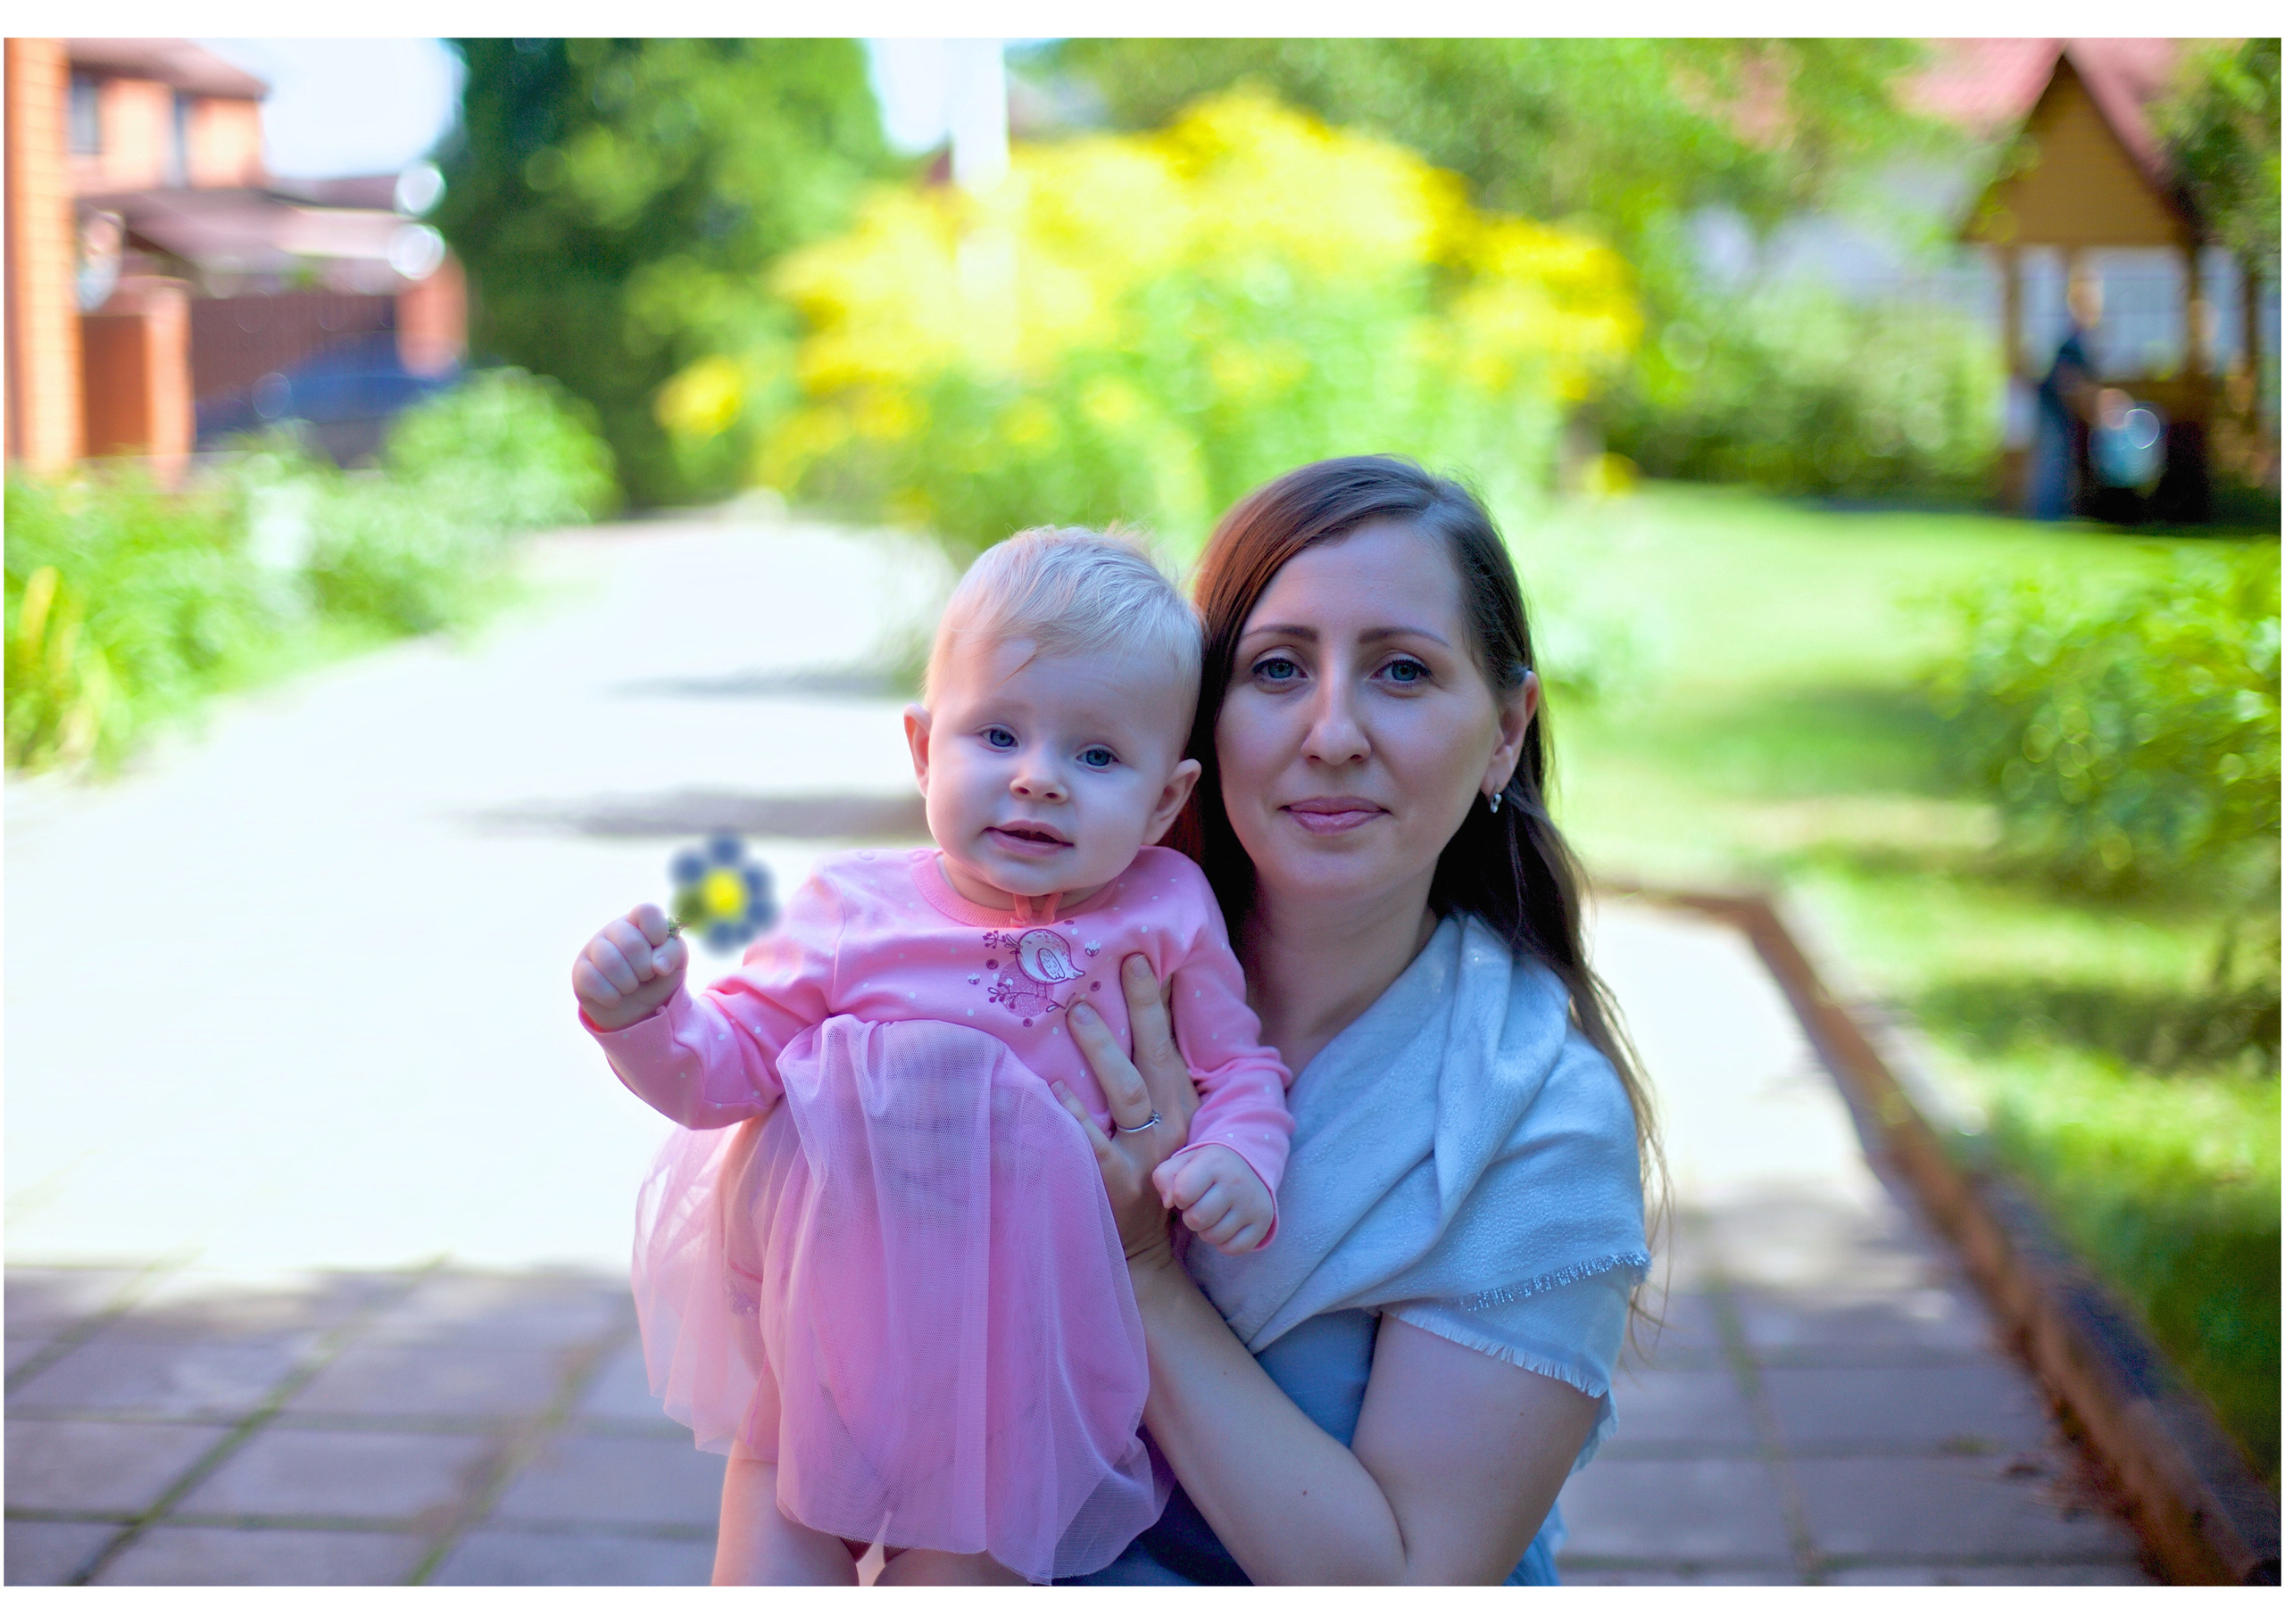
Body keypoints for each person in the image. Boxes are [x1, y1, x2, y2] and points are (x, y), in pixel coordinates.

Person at [571, 529, 1293, 1585]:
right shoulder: (850, 909)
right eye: (997, 735)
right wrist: (645, 1019)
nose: (1039, 780)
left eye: (1096, 755)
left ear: (1166, 801)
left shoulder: (1167, 913)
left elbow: (1239, 1070)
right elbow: (721, 1069)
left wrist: (1238, 1157)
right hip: (832, 1352)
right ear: (922, 750)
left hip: (1026, 1380)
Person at [1051, 455, 1660, 1586]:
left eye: (1402, 672)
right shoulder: (1053, 976)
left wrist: (1141, 1270)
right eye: (1276, 668)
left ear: (1504, 731)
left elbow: (1408, 1584)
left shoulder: (1540, 1123)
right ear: (1200, 716)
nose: (1332, 732)